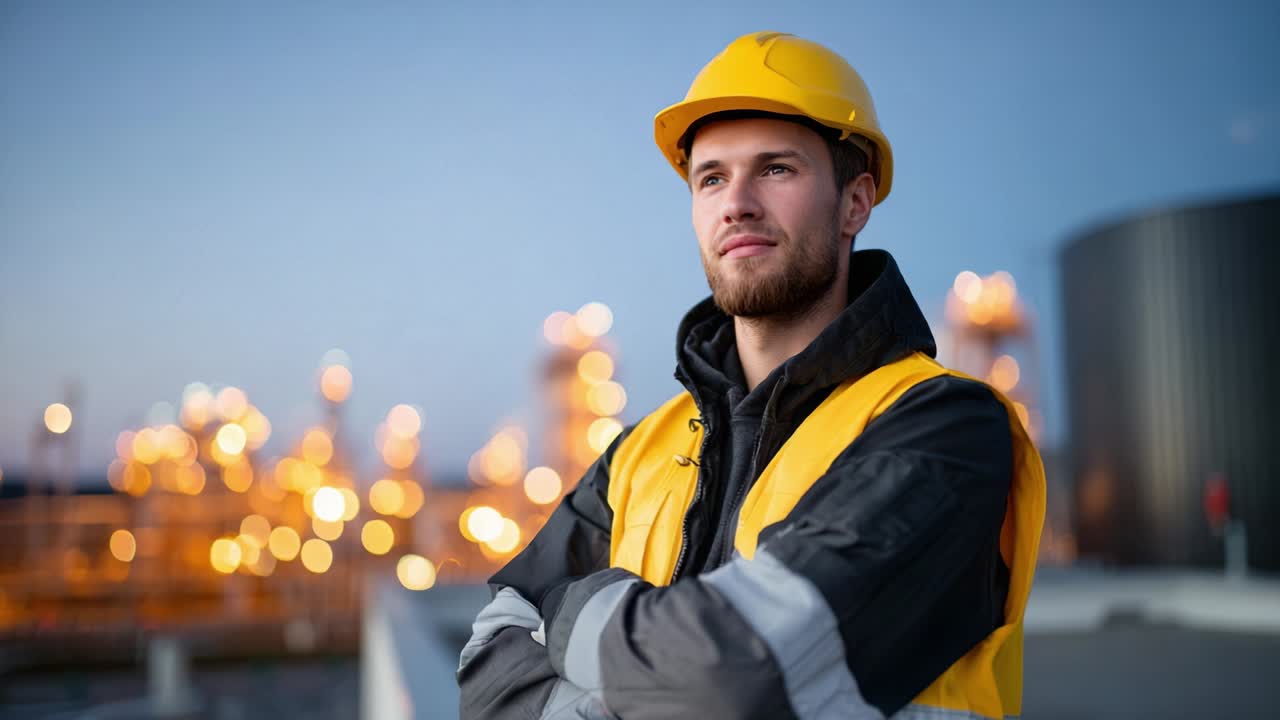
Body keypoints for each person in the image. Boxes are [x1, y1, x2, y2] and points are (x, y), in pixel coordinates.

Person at [457, 31, 1045, 720]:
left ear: (855, 203)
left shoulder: (944, 428)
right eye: (711, 177)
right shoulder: (639, 452)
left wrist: (567, 609)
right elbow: (485, 664)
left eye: (775, 170)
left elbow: (734, 674)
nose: (735, 202)